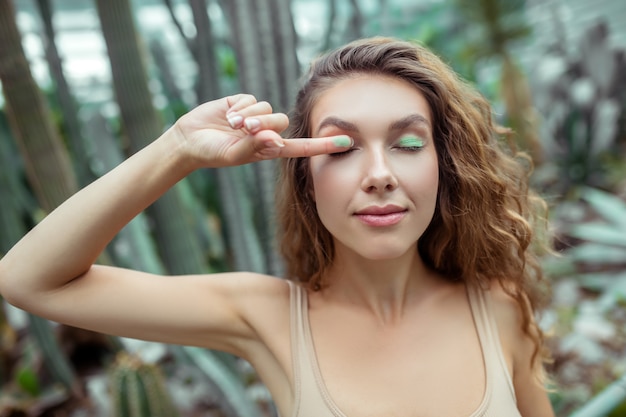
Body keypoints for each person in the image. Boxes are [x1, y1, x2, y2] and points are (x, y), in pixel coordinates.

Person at [0, 37, 554, 416]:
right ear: (307, 179)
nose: (380, 175)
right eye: (341, 148)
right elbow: (29, 279)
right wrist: (179, 149)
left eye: (408, 144)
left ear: (444, 165)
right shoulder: (266, 316)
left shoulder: (500, 307)